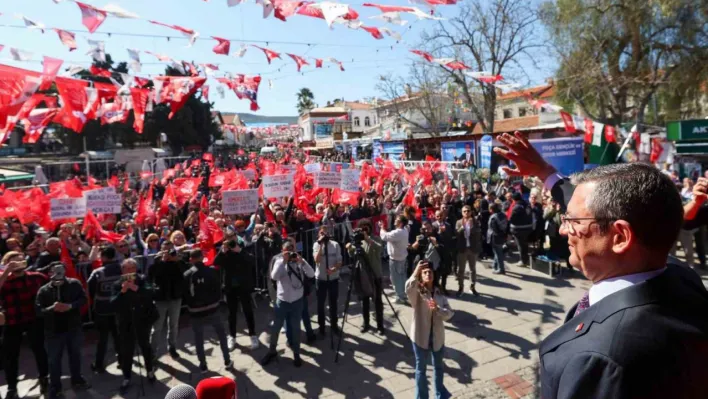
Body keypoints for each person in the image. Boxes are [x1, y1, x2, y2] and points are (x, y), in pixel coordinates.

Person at [496, 131, 708, 399]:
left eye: (571, 221)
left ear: (620, 237)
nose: (563, 230)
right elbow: (596, 209)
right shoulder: (680, 275)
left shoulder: (600, 358)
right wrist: (545, 171)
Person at [35, 262, 91, 399]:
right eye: (54, 271)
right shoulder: (44, 290)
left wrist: (70, 306)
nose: (58, 274)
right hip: (53, 331)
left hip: (73, 327)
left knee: (75, 355)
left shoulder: (74, 284)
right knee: (54, 360)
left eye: (60, 270)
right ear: (49, 273)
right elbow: (38, 311)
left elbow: (83, 299)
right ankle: (55, 387)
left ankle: (77, 379)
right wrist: (51, 309)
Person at [0, 251, 49, 399]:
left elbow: (51, 289)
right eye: (12, 261)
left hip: (33, 319)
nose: (16, 263)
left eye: (19, 260)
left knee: (39, 351)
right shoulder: (4, 280)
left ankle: (44, 379)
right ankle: (12, 387)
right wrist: (7, 271)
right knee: (11, 356)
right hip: (12, 321)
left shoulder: (36, 277)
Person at [261, 242, 315, 368]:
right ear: (282, 250)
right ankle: (272, 351)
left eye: (292, 250)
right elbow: (274, 277)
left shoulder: (299, 260)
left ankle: (296, 354)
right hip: (283, 302)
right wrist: (283, 262)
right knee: (276, 328)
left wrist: (302, 262)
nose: (290, 253)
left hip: (297, 302)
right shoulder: (279, 261)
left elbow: (312, 274)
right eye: (287, 251)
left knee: (296, 328)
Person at [406, 261, 454, 399]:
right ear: (421, 276)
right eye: (425, 272)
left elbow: (450, 314)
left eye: (430, 272)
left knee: (438, 367)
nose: (428, 273)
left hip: (437, 337)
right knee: (421, 369)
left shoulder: (439, 293)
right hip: (420, 337)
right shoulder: (417, 294)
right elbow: (408, 288)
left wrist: (438, 309)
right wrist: (416, 271)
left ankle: (440, 394)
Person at [184, 249, 233, 373]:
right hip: (212, 308)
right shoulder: (211, 271)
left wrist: (191, 305)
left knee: (198, 338)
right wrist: (216, 302)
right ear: (202, 257)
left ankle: (203, 365)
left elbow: (184, 294)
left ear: (191, 259)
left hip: (196, 311)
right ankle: (227, 360)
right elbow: (218, 288)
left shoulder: (187, 274)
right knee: (221, 335)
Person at [112, 258, 157, 394]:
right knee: (127, 351)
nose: (129, 271)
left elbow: (151, 292)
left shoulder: (142, 279)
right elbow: (113, 303)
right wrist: (123, 291)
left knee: (145, 347)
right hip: (126, 322)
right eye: (126, 268)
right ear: (122, 270)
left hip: (142, 321)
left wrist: (136, 288)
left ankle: (150, 371)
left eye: (132, 268)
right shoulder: (117, 284)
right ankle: (126, 377)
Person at [214, 236, 259, 351]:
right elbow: (216, 262)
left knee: (248, 310)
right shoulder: (225, 252)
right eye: (230, 241)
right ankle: (232, 336)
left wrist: (239, 250)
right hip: (230, 287)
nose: (232, 243)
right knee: (231, 313)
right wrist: (222, 252)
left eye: (233, 240)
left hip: (244, 286)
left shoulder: (243, 248)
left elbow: (252, 261)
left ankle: (253, 335)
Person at [148, 243, 188, 360]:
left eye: (170, 251)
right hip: (160, 298)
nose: (168, 253)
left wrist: (177, 261)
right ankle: (153, 352)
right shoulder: (157, 262)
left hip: (175, 297)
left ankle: (172, 347)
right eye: (165, 251)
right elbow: (151, 276)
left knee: (174, 325)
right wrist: (161, 261)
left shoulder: (178, 261)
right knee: (157, 328)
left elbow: (185, 273)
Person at [86, 246, 122, 373]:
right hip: (118, 308)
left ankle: (99, 364)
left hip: (102, 309)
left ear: (104, 257)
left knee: (102, 338)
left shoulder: (98, 272)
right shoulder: (122, 269)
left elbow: (90, 288)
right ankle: (122, 360)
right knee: (118, 336)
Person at [348, 220, 385, 334]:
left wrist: (367, 239)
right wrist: (350, 247)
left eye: (366, 227)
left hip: (375, 274)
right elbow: (352, 254)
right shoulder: (358, 241)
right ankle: (366, 323)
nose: (364, 229)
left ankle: (380, 325)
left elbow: (379, 249)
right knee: (365, 301)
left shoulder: (375, 238)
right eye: (362, 228)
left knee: (377, 301)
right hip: (364, 276)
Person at [313, 226, 342, 337]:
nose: (324, 235)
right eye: (322, 233)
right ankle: (322, 328)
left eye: (326, 233)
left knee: (333, 303)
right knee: (321, 305)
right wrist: (321, 245)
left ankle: (334, 326)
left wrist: (334, 269)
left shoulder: (335, 245)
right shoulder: (316, 245)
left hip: (333, 279)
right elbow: (317, 260)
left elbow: (340, 261)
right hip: (321, 279)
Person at [379, 215, 410, 304]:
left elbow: (384, 237)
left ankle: (399, 297)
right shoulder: (404, 230)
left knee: (395, 279)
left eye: (397, 219)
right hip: (401, 257)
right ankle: (402, 295)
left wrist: (381, 227)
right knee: (401, 278)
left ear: (401, 223)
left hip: (396, 259)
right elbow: (388, 235)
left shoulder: (398, 232)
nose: (395, 220)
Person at [454, 206, 480, 297]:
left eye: (468, 211)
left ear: (471, 212)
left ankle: (472, 287)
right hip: (462, 249)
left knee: (473, 269)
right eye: (464, 211)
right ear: (462, 213)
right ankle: (461, 287)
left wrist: (472, 225)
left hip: (472, 249)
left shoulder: (475, 221)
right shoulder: (458, 222)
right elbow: (456, 234)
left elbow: (478, 233)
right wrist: (462, 228)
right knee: (461, 270)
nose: (466, 213)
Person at [509, 191, 533, 266]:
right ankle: (525, 259)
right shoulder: (527, 204)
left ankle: (523, 261)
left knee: (520, 245)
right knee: (525, 244)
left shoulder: (516, 207)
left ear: (514, 199)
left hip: (518, 229)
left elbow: (512, 219)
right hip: (528, 228)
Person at [487, 203, 508, 275]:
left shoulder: (493, 217)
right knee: (497, 252)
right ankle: (495, 265)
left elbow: (494, 229)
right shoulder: (503, 215)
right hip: (502, 236)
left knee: (498, 253)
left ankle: (501, 269)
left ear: (491, 209)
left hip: (495, 238)